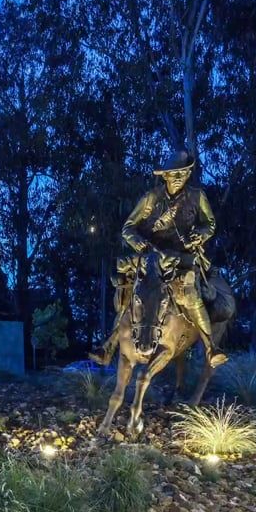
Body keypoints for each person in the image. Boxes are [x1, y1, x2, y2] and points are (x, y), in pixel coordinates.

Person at [91, 150, 226, 369]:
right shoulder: (150, 198)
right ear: (165, 175)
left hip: (180, 256)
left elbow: (209, 224)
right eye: (174, 173)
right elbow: (128, 228)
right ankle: (110, 344)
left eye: (184, 172)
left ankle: (210, 346)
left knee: (191, 293)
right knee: (129, 291)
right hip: (150, 256)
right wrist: (142, 245)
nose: (179, 176)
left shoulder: (197, 196)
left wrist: (199, 236)